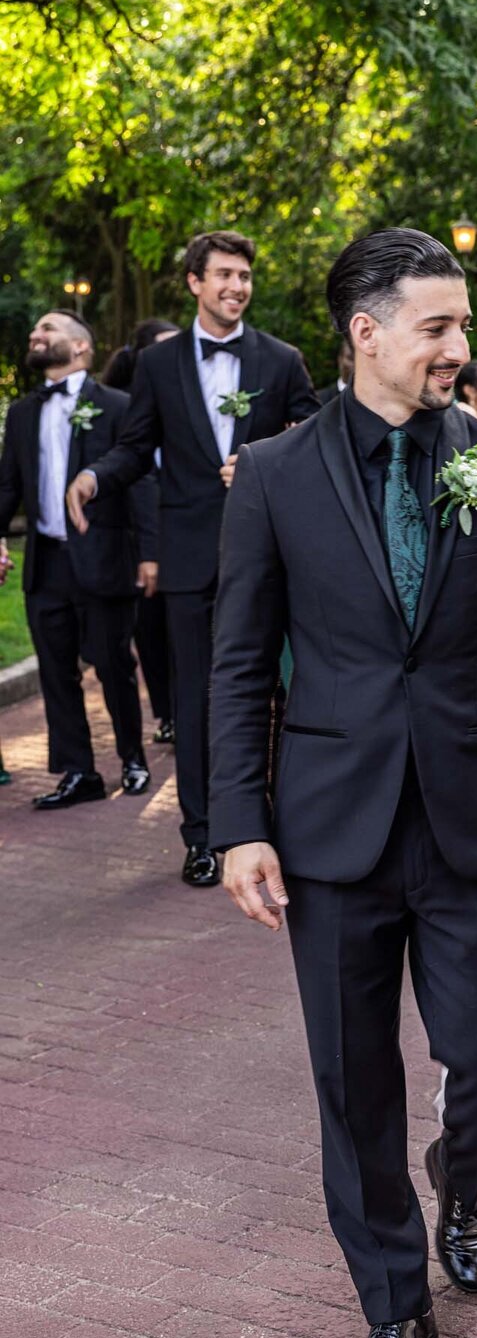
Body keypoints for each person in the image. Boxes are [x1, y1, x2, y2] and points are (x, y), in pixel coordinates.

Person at [209, 228, 477, 1338]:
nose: (460, 347)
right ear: (366, 332)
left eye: (461, 327)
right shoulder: (274, 475)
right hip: (328, 828)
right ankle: (395, 1303)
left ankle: (464, 1184)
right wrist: (239, 821)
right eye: (438, 326)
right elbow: (237, 666)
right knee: (351, 1079)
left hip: (470, 814)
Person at [66, 229, 319, 886]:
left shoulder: (283, 360)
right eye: (225, 275)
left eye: (245, 275)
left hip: (271, 555)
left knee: (277, 692)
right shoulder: (157, 365)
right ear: (195, 283)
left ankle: (275, 819)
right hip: (188, 560)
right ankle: (204, 834)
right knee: (200, 698)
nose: (237, 286)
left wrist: (271, 466)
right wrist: (94, 477)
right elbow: (134, 446)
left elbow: (317, 443)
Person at [0, 309, 155, 807]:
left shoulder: (116, 405)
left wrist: (149, 554)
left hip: (105, 556)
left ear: (81, 346)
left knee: (113, 664)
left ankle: (133, 757)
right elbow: (7, 486)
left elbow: (140, 481)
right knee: (55, 670)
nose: (36, 335)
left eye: (48, 329)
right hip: (46, 561)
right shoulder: (23, 412)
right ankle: (78, 771)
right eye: (36, 329)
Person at [101, 318, 181, 746]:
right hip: (145, 537)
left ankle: (193, 709)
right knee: (149, 629)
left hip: (191, 531)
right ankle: (166, 713)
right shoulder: (126, 412)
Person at [317, 339, 354, 405]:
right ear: (340, 359)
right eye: (351, 358)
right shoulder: (319, 399)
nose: (356, 364)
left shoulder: (374, 402)